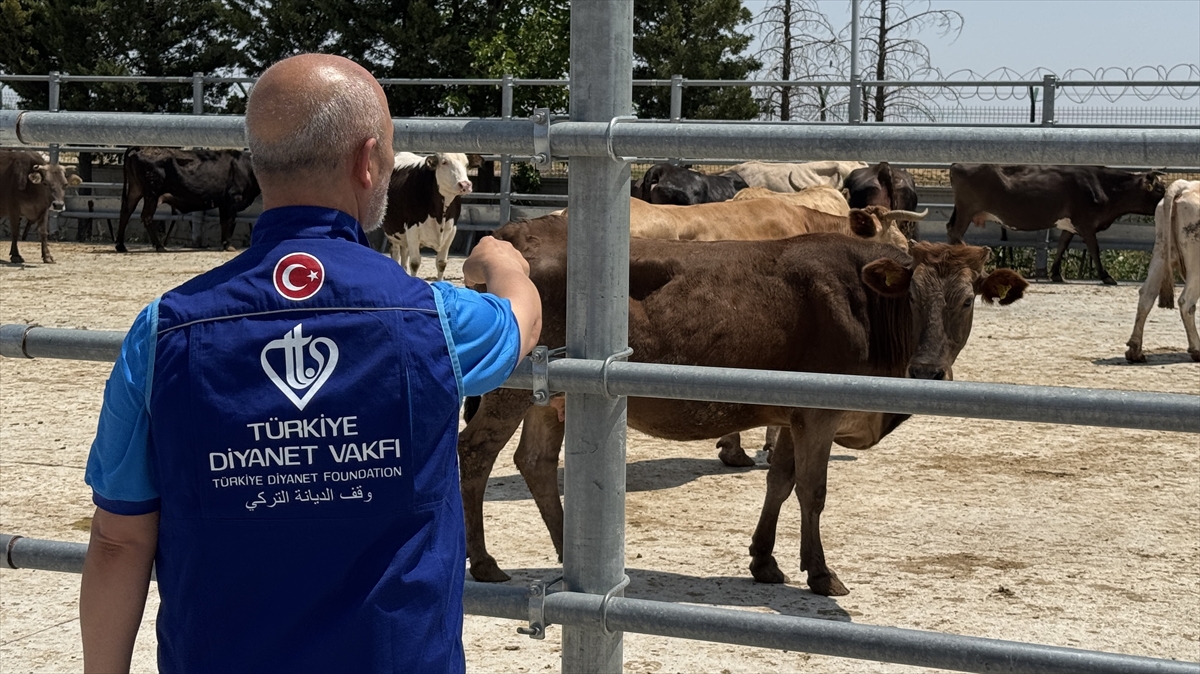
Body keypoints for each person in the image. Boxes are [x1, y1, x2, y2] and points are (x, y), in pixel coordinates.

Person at [79, 54, 541, 674]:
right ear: (368, 159)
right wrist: (498, 259)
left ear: (261, 163)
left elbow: (117, 539)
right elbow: (520, 322)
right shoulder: (433, 317)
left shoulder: (163, 331)